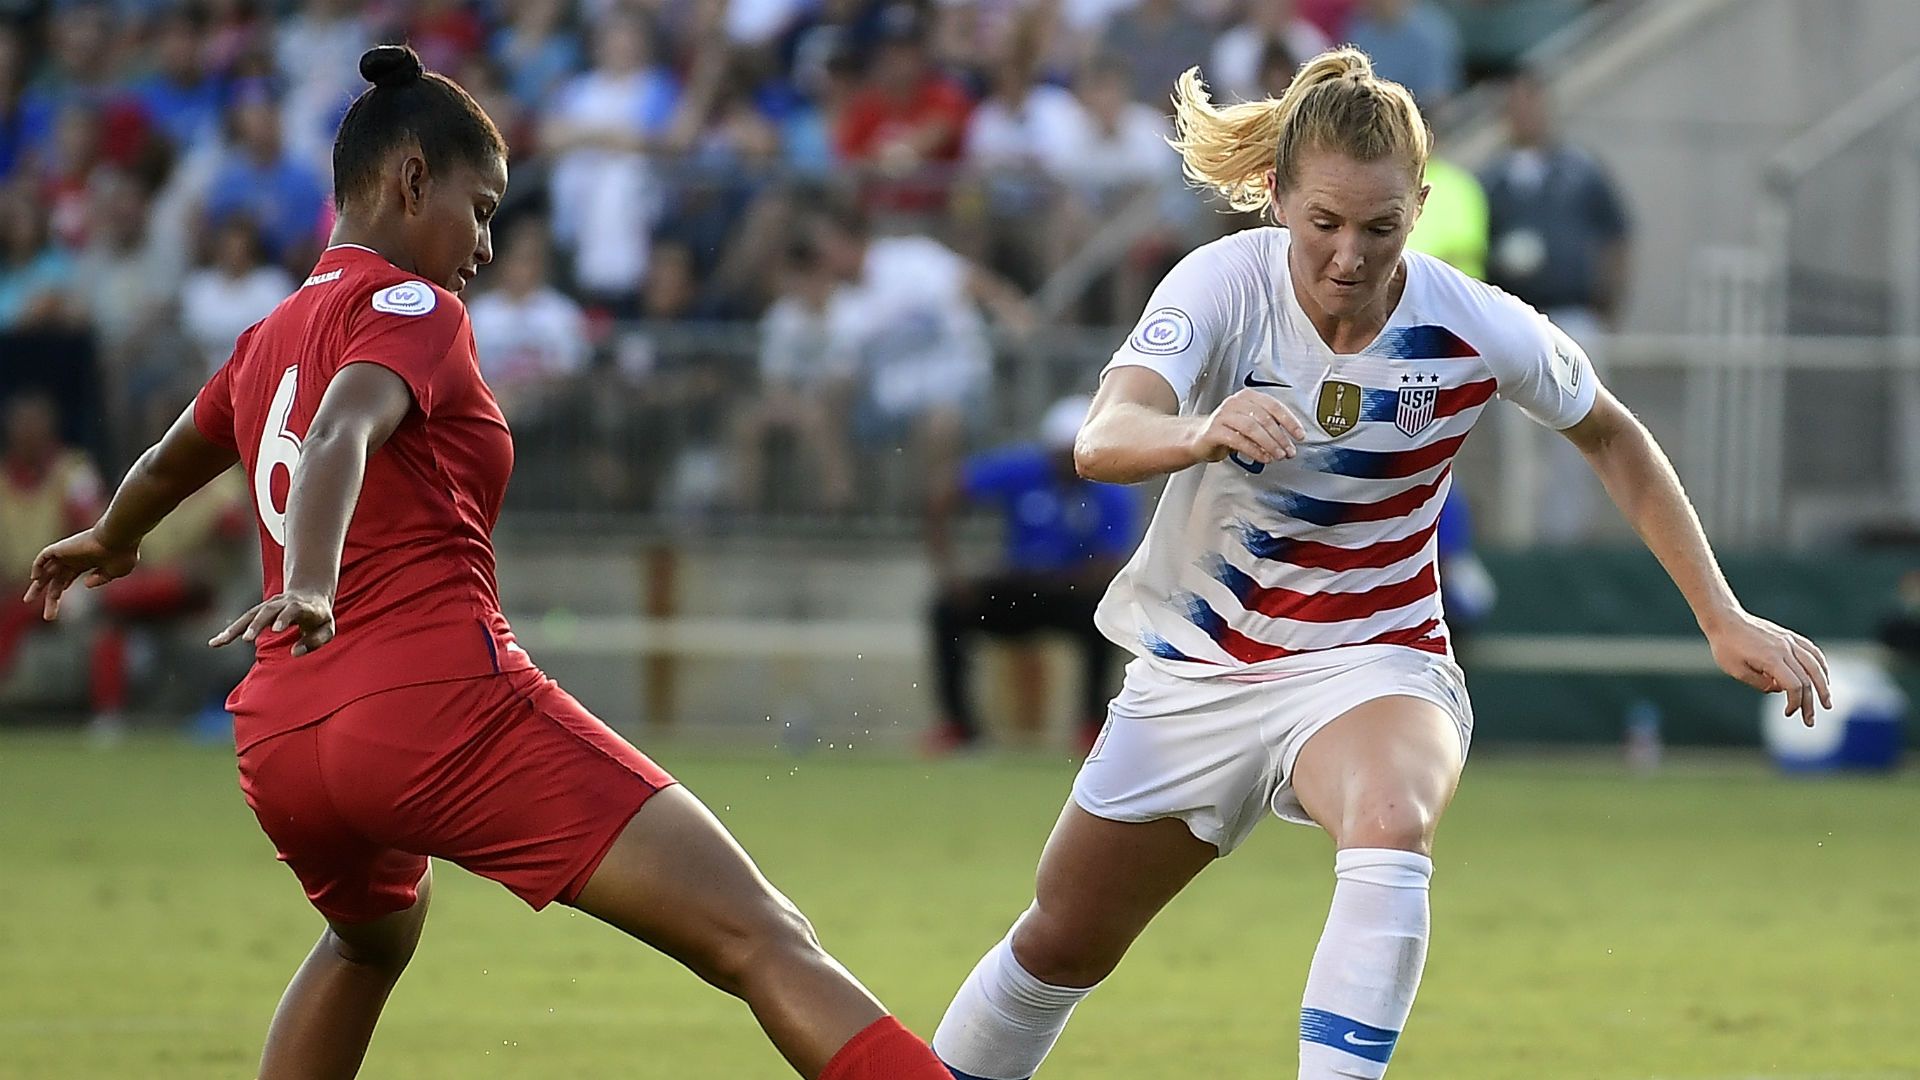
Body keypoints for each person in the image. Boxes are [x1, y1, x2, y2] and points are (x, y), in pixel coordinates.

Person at [24, 45, 951, 1080]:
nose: (484, 242)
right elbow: (338, 432)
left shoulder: (265, 336)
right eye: (480, 206)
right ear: (412, 178)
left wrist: (113, 535)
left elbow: (167, 460)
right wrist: (311, 583)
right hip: (432, 702)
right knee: (761, 936)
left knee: (369, 937)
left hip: (284, 738)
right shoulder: (411, 308)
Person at [929, 49, 1833, 1080]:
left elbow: (1614, 436)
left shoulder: (1475, 323)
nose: (1349, 255)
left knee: (1392, 820)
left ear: (1422, 206)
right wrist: (1201, 429)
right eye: (1324, 224)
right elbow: (1105, 436)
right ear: (1275, 199)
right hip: (1200, 666)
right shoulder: (1222, 286)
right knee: (1059, 944)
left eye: (1380, 226)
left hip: (1375, 655)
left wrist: (1722, 617)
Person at [925, 394, 1138, 754]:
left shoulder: (1110, 491)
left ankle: (1091, 725)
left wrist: (1054, 580)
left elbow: (1106, 565)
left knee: (1104, 619)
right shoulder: (1026, 470)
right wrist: (952, 573)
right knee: (947, 609)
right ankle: (959, 727)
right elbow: (945, 491)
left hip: (1068, 590)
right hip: (1017, 587)